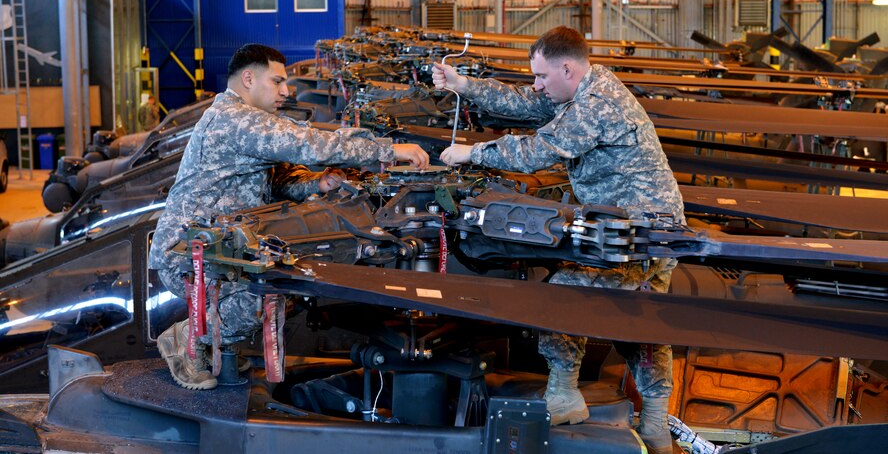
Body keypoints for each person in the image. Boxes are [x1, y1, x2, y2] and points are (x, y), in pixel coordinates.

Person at [433, 26, 683, 454]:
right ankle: (655, 424)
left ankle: (566, 394)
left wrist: (471, 153)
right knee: (642, 319)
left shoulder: (598, 103)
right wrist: (464, 85)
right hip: (640, 229)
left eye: (542, 76)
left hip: (639, 233)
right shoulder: (585, 89)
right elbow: (528, 103)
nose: (537, 85)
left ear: (567, 68)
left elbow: (536, 151)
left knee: (564, 295)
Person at [148, 43, 429, 391]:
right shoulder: (235, 119)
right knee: (273, 288)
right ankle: (186, 340)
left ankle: (206, 344)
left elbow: (276, 180)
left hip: (219, 245)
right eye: (277, 81)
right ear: (248, 78)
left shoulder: (247, 120)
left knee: (287, 286)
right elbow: (307, 144)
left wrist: (316, 183)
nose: (286, 90)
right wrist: (388, 149)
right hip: (192, 253)